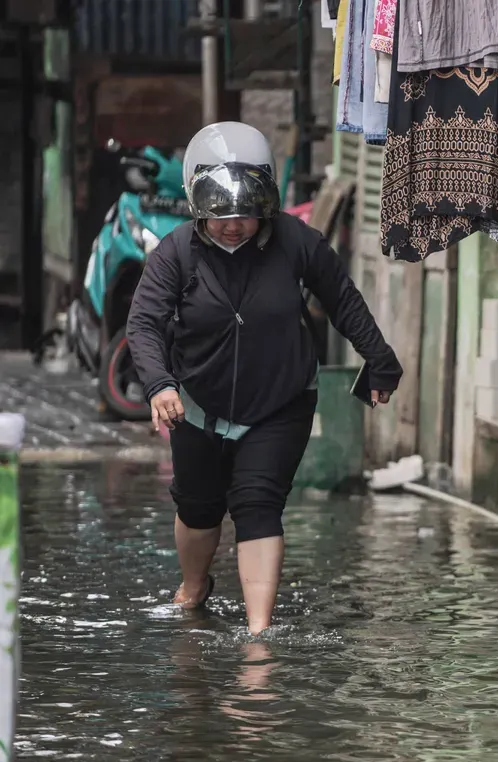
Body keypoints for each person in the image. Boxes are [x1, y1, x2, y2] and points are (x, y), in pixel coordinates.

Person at [126, 121, 403, 636]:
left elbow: (342, 299)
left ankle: (258, 636)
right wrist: (160, 384)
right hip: (196, 403)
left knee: (258, 503)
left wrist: (380, 360)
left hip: (281, 401)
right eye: (221, 215)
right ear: (197, 204)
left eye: (247, 214)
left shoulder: (297, 243)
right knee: (199, 506)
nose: (234, 225)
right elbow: (143, 323)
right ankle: (194, 587)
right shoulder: (175, 253)